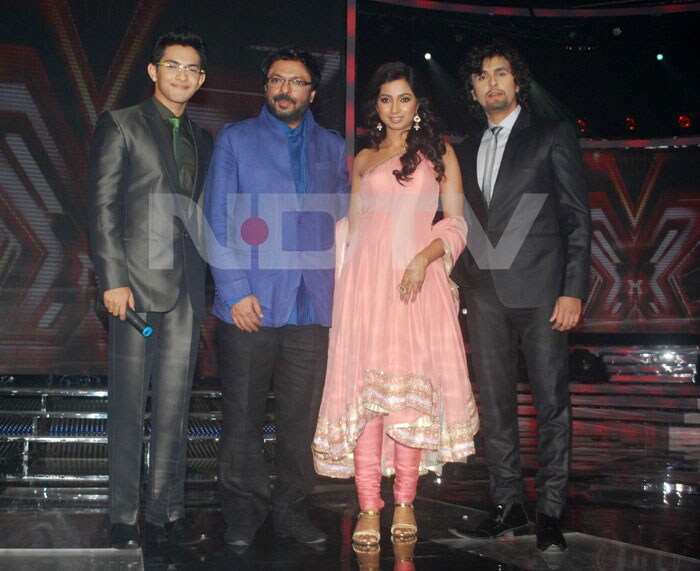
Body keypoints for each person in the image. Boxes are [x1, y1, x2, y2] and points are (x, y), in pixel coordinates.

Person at [312, 62, 479, 546]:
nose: (395, 108)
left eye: (404, 98)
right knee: (369, 401)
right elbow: (353, 228)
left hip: (416, 285)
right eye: (386, 99)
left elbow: (456, 224)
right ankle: (368, 507)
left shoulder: (440, 153)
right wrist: (342, 289)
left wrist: (424, 259)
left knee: (406, 399)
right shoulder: (363, 159)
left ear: (418, 105)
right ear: (375, 108)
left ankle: (405, 500)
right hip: (364, 287)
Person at [449, 40, 592, 552]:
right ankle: (507, 507)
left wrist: (573, 290)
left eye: (501, 73)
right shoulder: (463, 149)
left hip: (542, 294)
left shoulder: (551, 135)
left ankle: (551, 510)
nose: (492, 82)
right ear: (472, 88)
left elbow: (577, 218)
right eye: (482, 75)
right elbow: (458, 222)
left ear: (517, 82)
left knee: (552, 403)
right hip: (484, 295)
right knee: (495, 405)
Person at [204, 47, 349, 549]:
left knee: (299, 418)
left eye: (297, 81)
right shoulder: (236, 139)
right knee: (242, 415)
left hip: (312, 304)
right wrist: (235, 291)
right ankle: (243, 514)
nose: (285, 89)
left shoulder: (333, 147)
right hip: (252, 304)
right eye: (276, 80)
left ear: (312, 91)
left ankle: (291, 509)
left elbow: (346, 223)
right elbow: (217, 220)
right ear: (266, 87)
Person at [87, 28, 213, 549]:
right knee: (128, 406)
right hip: (133, 292)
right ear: (153, 70)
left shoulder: (204, 139)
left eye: (191, 70)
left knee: (174, 407)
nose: (181, 76)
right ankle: (122, 516)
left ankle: (167, 514)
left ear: (201, 79)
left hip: (186, 289)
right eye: (173, 66)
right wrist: (111, 280)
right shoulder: (121, 124)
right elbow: (102, 206)